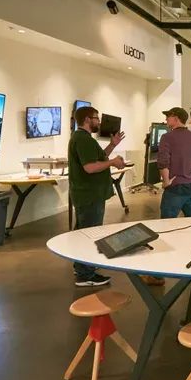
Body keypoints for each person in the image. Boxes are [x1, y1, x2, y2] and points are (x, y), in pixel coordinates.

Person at [68, 105, 127, 288]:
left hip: (89, 194)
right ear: (87, 120)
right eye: (96, 118)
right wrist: (113, 162)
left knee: (83, 232)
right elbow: (90, 167)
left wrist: (112, 146)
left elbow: (97, 159)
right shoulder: (83, 140)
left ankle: (82, 266)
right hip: (89, 195)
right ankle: (85, 274)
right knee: (89, 233)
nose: (99, 122)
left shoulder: (84, 139)